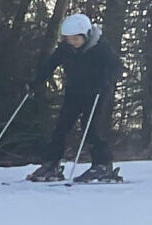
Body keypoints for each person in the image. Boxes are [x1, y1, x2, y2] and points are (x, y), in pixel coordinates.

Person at [28, 12, 121, 183]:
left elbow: (115, 67)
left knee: (91, 128)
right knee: (61, 127)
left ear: (86, 35)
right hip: (74, 92)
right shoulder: (65, 49)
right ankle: (52, 164)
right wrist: (37, 81)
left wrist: (106, 81)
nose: (72, 42)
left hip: (96, 93)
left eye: (76, 39)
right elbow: (50, 64)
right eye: (68, 39)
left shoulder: (101, 48)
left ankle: (102, 165)